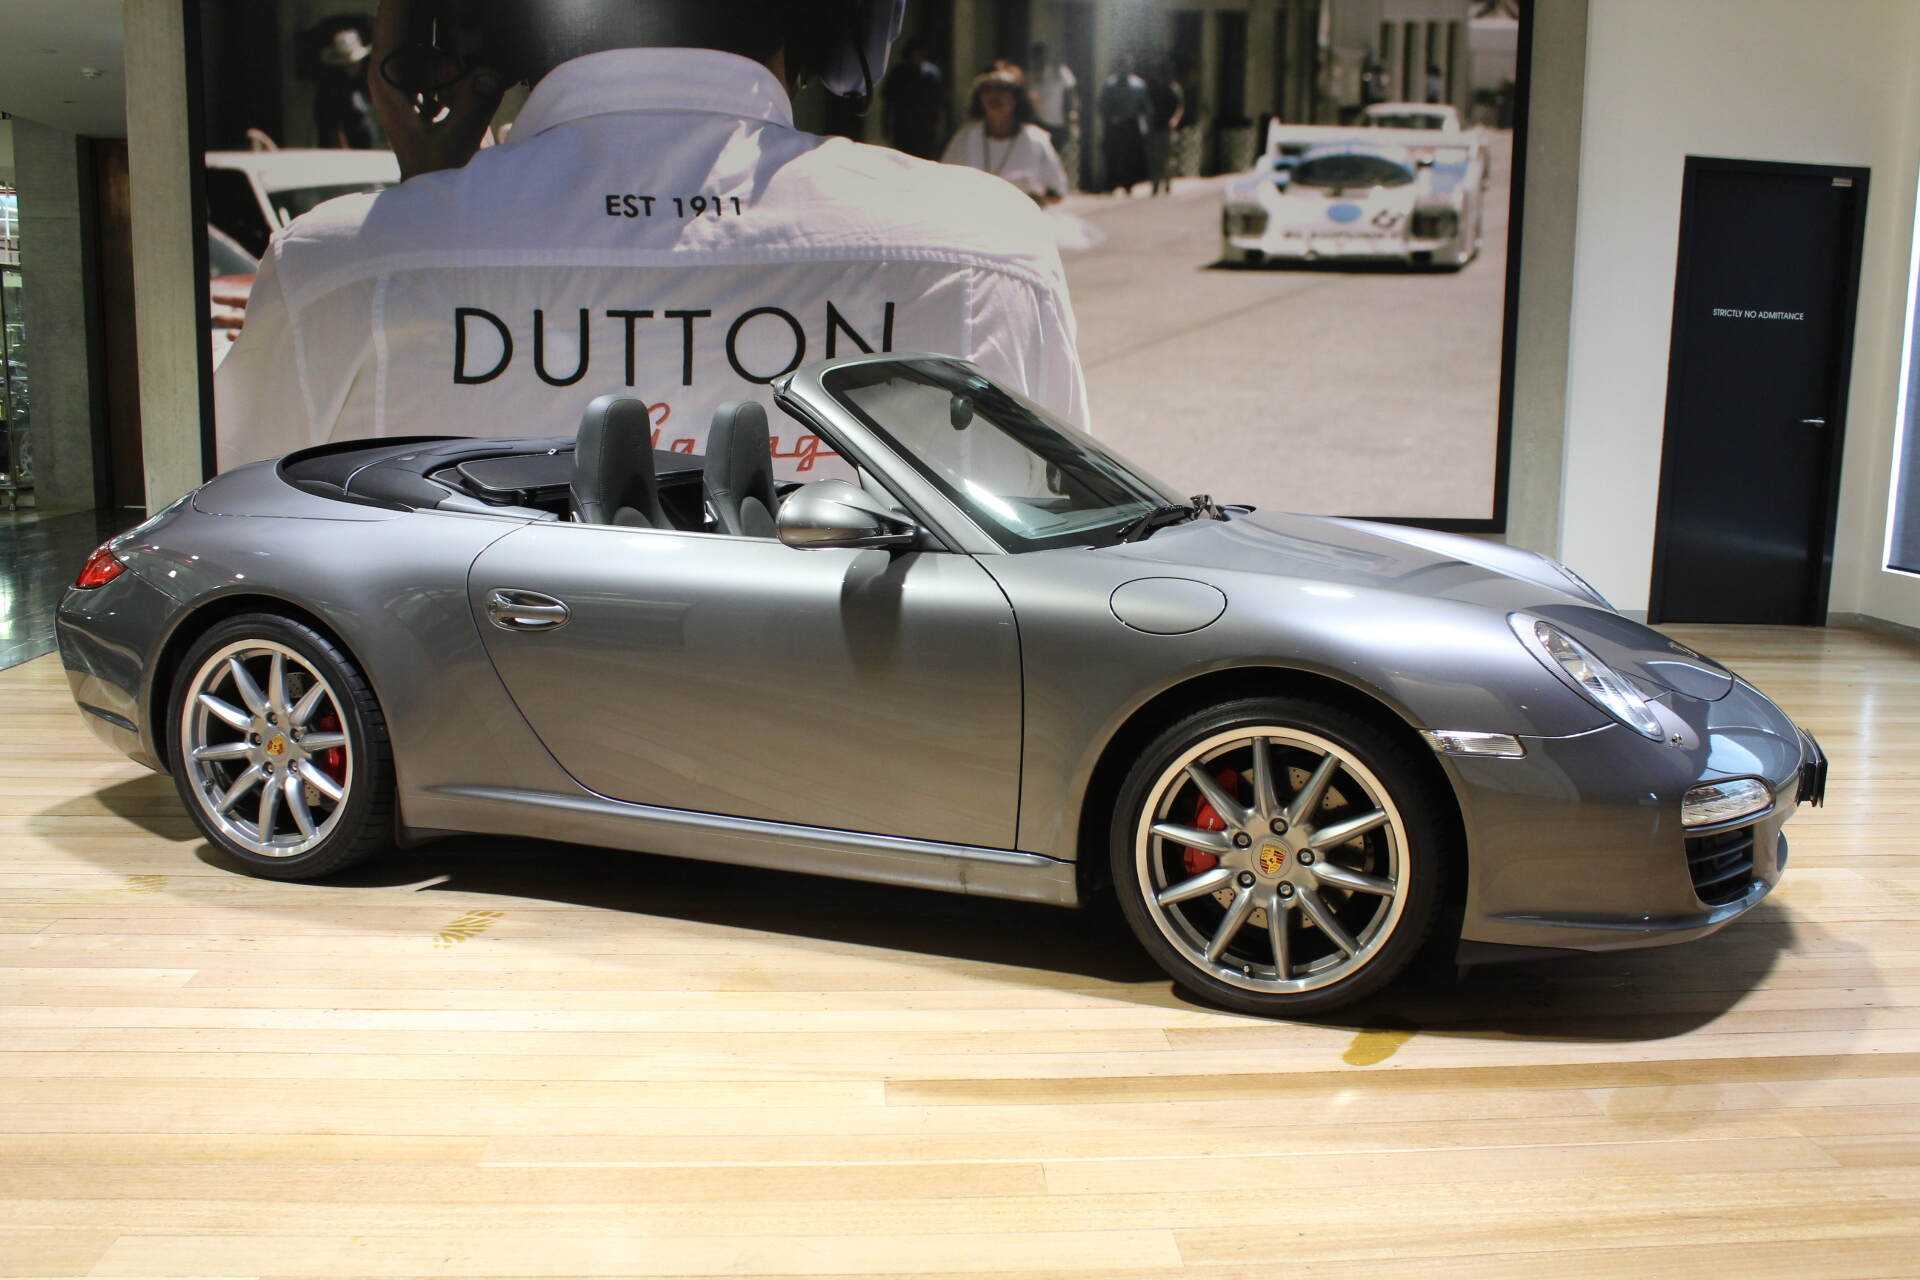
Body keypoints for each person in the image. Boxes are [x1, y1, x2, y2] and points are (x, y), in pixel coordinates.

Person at [215, 0, 1088, 472]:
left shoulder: (336, 273)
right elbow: (1060, 565)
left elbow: (233, 556)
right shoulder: (986, 254)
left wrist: (424, 211)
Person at [941, 66, 1069, 207]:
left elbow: (1058, 192)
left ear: (1016, 97)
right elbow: (944, 183)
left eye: (1003, 88)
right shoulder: (965, 138)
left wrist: (1037, 200)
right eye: (987, 89)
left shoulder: (1036, 140)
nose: (994, 95)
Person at [879, 38, 948, 161]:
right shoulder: (898, 73)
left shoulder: (931, 74)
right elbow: (889, 102)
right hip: (904, 127)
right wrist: (885, 125)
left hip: (926, 127)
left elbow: (939, 103)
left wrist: (940, 127)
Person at [1097, 54, 1150, 196]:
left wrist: (1144, 126)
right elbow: (1102, 105)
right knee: (1113, 154)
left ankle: (1129, 183)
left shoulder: (1138, 85)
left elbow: (1144, 107)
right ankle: (1111, 183)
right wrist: (1108, 118)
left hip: (1131, 123)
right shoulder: (1110, 85)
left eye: (1127, 66)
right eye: (1122, 66)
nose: (1125, 69)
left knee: (1130, 154)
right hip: (1114, 124)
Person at [1026, 42, 1077, 158]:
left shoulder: (1060, 71)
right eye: (1035, 57)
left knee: (1057, 157)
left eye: (1041, 55)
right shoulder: (1032, 76)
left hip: (1058, 124)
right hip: (1039, 124)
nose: (1039, 59)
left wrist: (1070, 116)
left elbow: (1070, 94)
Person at [1144, 59, 1184, 197]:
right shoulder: (1153, 89)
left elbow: (1179, 107)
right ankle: (1155, 184)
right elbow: (1148, 107)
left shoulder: (1174, 89)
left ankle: (1167, 182)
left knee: (1167, 156)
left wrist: (1174, 120)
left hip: (1167, 127)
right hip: (1155, 126)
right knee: (1154, 157)